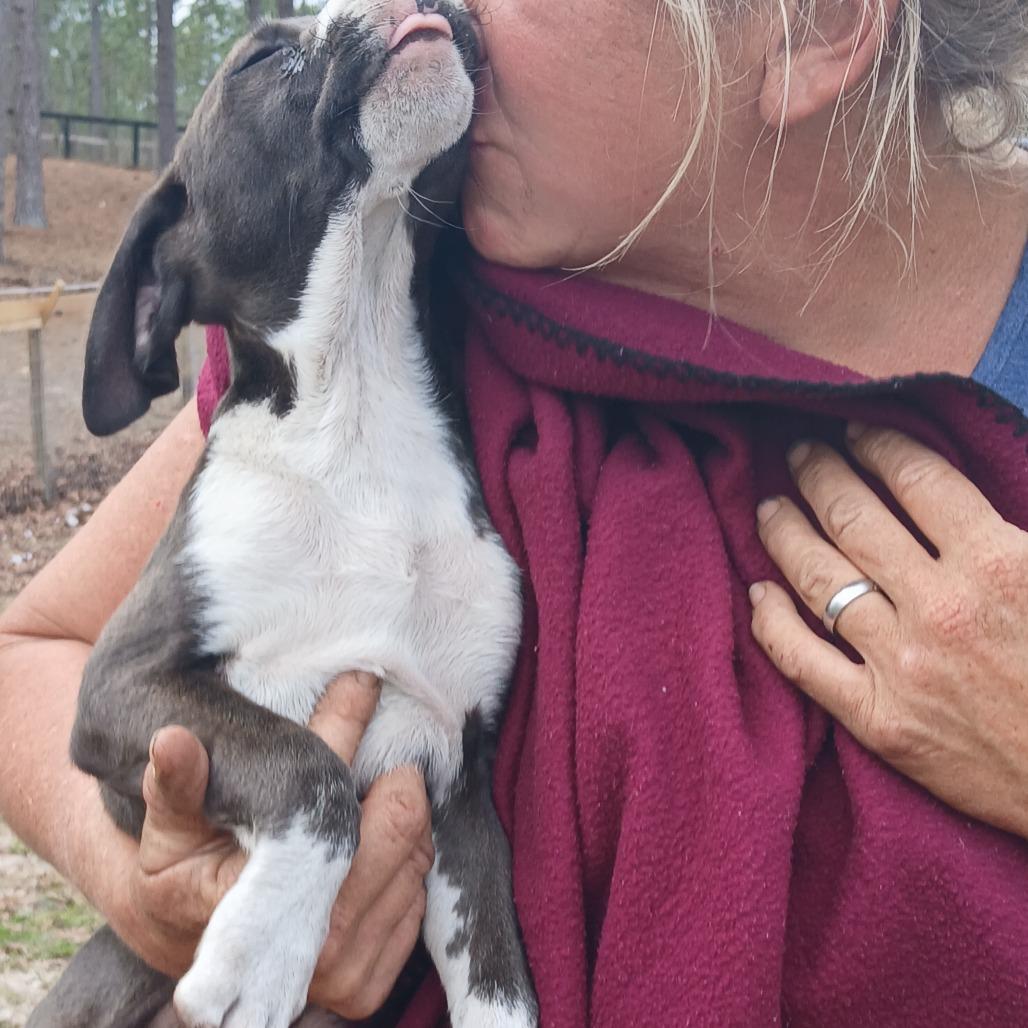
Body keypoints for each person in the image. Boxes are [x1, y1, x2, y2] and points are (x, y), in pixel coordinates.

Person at [3, 0, 1028, 1024]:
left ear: (812, 26)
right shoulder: (389, 290)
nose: (440, 9)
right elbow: (32, 656)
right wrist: (176, 893)